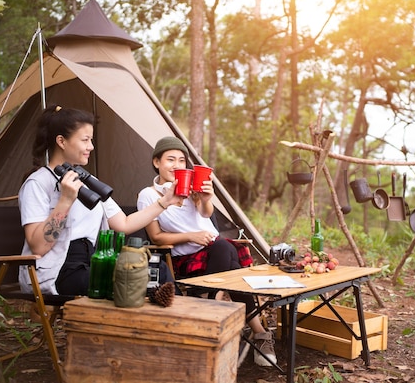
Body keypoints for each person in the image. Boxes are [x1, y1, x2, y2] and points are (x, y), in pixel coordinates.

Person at [137, 136, 277, 367]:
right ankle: (258, 333)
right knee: (227, 255)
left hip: (215, 253)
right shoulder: (149, 195)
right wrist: (191, 236)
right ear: (156, 162)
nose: (177, 165)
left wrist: (206, 198)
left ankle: (215, 309)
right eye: (170, 159)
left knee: (224, 249)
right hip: (185, 258)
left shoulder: (192, 188)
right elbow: (156, 237)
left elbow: (205, 215)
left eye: (182, 160)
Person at [18, 106, 183, 296]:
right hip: (59, 270)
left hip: (94, 262)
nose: (91, 147)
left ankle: (183, 322)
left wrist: (165, 202)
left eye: (91, 140)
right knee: (130, 281)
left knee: (158, 271)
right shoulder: (37, 183)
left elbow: (124, 224)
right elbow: (38, 246)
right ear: (61, 141)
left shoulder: (87, 181)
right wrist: (65, 200)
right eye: (85, 140)